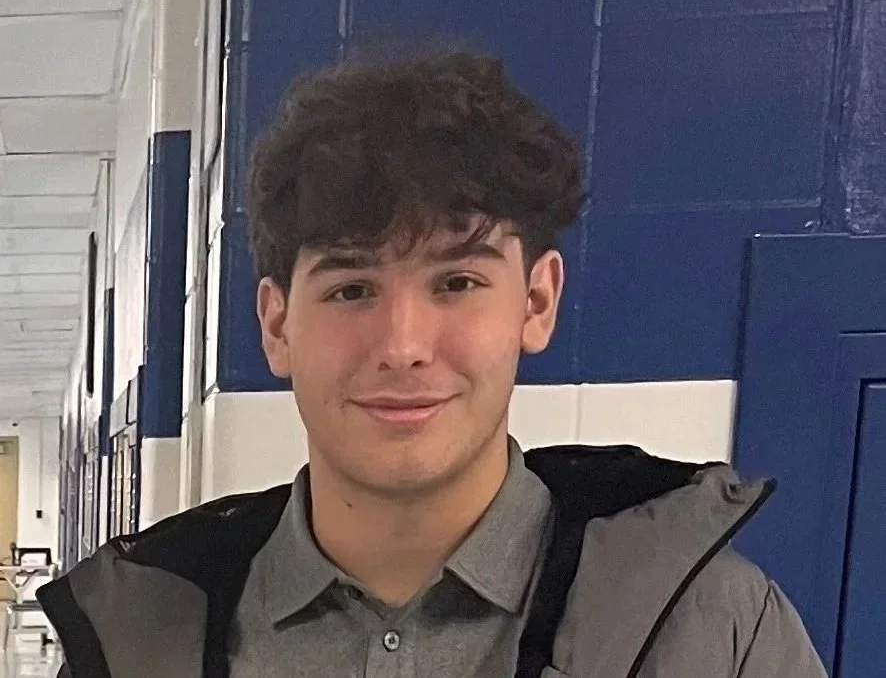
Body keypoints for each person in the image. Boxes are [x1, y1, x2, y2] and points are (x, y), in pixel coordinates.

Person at [37, 49, 827, 677]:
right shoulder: (141, 643)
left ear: (536, 302)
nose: (404, 343)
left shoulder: (709, 632)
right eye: (351, 288)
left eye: (457, 281)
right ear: (278, 324)